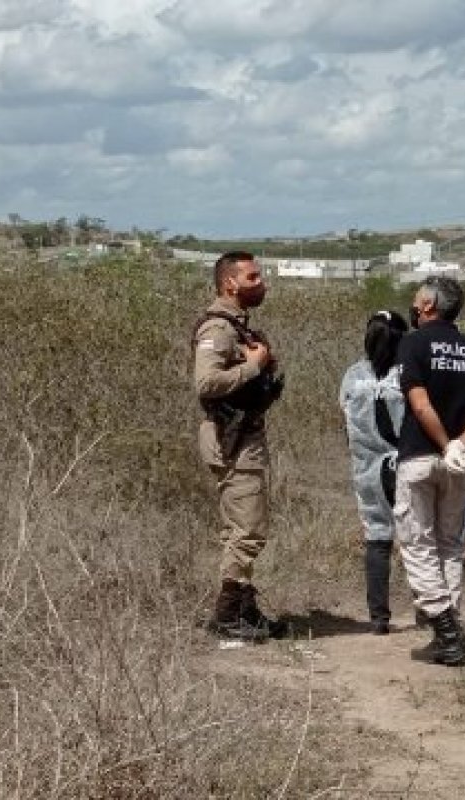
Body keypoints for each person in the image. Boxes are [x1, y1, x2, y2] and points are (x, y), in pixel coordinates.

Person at [395, 276, 465, 666]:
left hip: (422, 457)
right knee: (449, 545)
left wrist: (443, 443)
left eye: (416, 298)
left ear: (427, 305)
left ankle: (444, 626)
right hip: (461, 463)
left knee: (418, 543)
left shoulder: (414, 342)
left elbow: (420, 405)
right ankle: (450, 626)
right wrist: (460, 444)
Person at [193, 251, 287, 640]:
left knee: (244, 526)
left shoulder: (239, 327)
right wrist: (254, 366)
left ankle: (245, 609)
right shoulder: (217, 329)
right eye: (252, 277)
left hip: (243, 435)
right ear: (229, 283)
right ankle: (227, 614)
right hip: (232, 439)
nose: (261, 282)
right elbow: (206, 383)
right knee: (247, 529)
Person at [339, 311, 409, 635]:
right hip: (406, 463)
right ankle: (430, 609)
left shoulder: (353, 375)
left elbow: (346, 421)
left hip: (367, 468)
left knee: (377, 538)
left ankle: (378, 617)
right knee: (418, 537)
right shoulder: (408, 373)